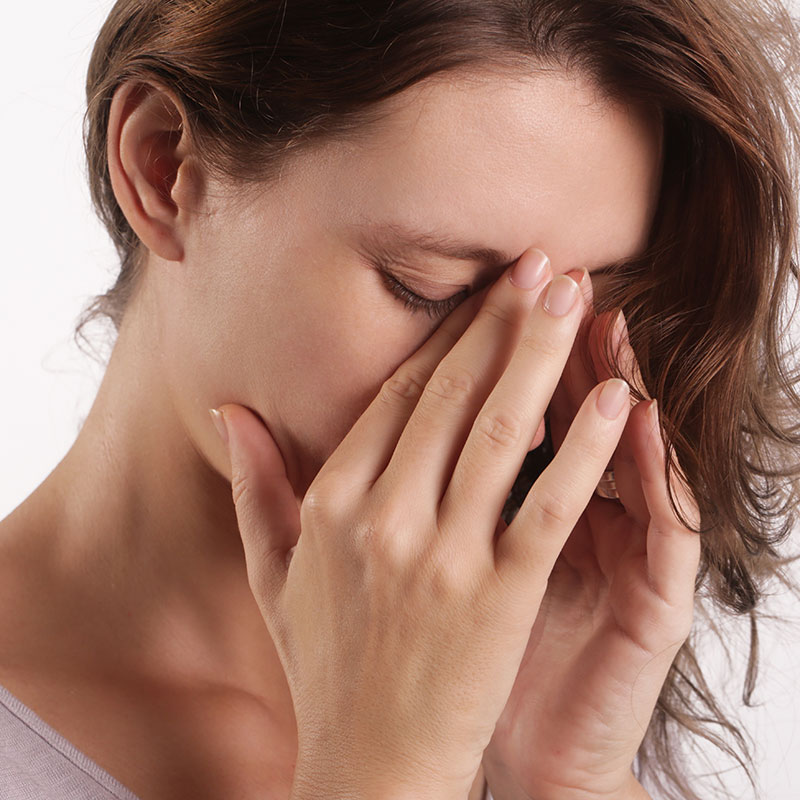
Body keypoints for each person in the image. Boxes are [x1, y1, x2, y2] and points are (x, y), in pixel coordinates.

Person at [1, 1, 799, 798]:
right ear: (164, 167)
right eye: (431, 289)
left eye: (579, 311)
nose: (516, 410)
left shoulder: (539, 706)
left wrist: (562, 780)